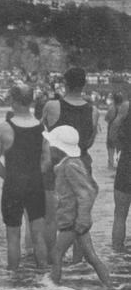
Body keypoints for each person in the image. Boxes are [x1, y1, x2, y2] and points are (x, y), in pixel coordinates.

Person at [0, 84, 50, 270]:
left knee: (13, 236)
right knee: (38, 235)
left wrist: (10, 178)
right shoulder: (41, 127)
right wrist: (33, 176)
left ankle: (13, 279)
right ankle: (44, 278)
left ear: (13, 101)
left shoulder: (4, 128)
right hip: (35, 184)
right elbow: (47, 161)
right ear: (31, 101)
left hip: (13, 185)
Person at [42, 67, 99, 261]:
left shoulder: (52, 106)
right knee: (79, 221)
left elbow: (43, 132)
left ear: (65, 83)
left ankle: (52, 261)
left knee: (51, 218)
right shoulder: (94, 110)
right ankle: (78, 266)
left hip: (55, 165)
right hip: (82, 165)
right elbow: (89, 142)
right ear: (84, 84)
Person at [45, 126, 110, 286]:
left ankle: (52, 286)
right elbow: (91, 189)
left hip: (73, 221)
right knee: (91, 257)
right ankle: (109, 285)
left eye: (51, 145)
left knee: (57, 253)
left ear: (58, 148)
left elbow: (86, 192)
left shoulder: (70, 166)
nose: (49, 147)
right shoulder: (70, 163)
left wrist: (82, 218)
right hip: (77, 220)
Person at [111, 98, 131, 251]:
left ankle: (117, 254)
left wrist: (120, 146)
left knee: (120, 214)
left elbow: (113, 130)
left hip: (127, 160)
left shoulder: (126, 106)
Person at [105, 92, 124, 169]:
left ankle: (111, 164)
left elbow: (106, 119)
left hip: (112, 130)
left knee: (110, 147)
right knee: (120, 148)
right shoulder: (125, 108)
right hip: (122, 131)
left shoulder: (112, 108)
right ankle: (120, 164)